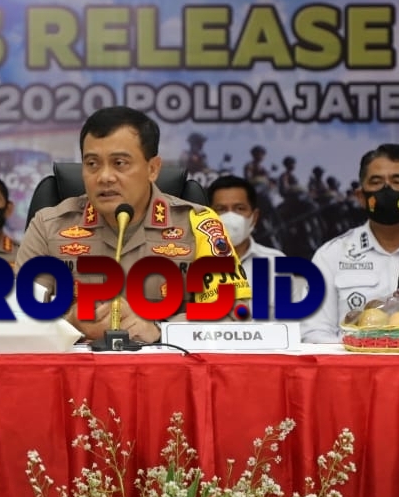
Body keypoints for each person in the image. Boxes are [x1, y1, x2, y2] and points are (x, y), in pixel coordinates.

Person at [17, 106, 252, 343]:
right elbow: (16, 319)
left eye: (119, 163)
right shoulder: (48, 226)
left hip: (167, 366)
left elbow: (236, 316)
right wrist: (68, 326)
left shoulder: (199, 224)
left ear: (152, 169)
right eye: (92, 164)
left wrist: (161, 330)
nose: (104, 177)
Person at [302, 144, 399, 343]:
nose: (386, 189)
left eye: (397, 181)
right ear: (361, 197)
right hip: (352, 361)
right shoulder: (330, 255)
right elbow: (314, 333)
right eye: (376, 182)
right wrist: (359, 352)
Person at [207, 175, 301, 319]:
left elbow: (291, 323)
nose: (231, 217)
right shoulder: (188, 264)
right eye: (221, 209)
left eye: (239, 208)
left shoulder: (276, 262)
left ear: (254, 217)